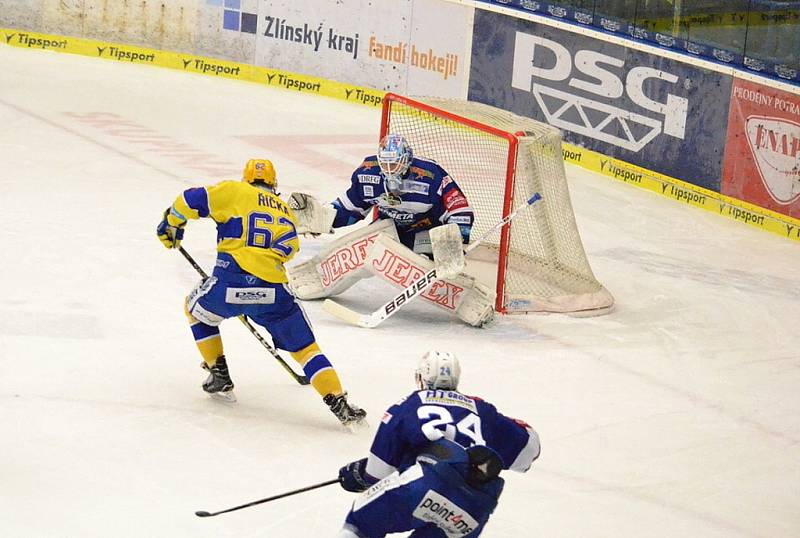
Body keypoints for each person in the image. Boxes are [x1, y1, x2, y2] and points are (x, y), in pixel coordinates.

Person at [156, 158, 366, 425]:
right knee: (306, 349)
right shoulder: (283, 209)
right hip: (273, 293)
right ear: (273, 183)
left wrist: (172, 223)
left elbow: (190, 199)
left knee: (195, 310)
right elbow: (290, 248)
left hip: (228, 286)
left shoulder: (234, 191)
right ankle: (340, 403)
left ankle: (218, 373)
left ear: (247, 179)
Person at [287, 135, 495, 327]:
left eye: (394, 163)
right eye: (384, 163)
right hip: (388, 230)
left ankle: (470, 300)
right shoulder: (367, 173)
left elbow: (460, 209)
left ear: (407, 160)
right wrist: (324, 219)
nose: (389, 168)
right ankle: (315, 276)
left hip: (426, 234)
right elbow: (351, 209)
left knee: (429, 271)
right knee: (362, 250)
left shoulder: (430, 176)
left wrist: (453, 243)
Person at [336, 351, 540, 537]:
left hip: (426, 483)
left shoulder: (407, 406)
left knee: (361, 522)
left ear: (421, 378)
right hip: (474, 504)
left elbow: (377, 475)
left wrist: (358, 475)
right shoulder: (482, 410)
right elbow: (529, 450)